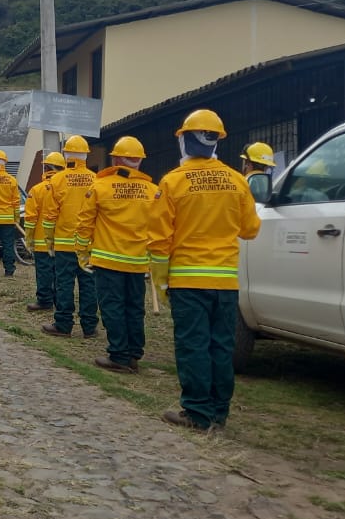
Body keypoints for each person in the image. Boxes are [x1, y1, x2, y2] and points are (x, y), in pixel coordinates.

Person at [150, 110, 261, 431]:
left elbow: (159, 239)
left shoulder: (173, 182)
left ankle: (197, 412)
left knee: (193, 345)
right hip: (225, 282)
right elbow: (250, 230)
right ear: (216, 141)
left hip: (187, 281)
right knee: (221, 347)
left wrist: (160, 282)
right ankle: (219, 412)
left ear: (184, 139)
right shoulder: (237, 181)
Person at [75, 137, 158, 373]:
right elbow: (160, 226)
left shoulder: (101, 186)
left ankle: (119, 355)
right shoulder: (153, 191)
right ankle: (134, 353)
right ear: (140, 161)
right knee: (135, 307)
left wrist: (81, 251)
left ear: (115, 160)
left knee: (113, 307)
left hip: (108, 259)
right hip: (138, 261)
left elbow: (85, 223)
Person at [41, 135, 100, 338]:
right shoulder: (96, 180)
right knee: (88, 284)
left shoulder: (57, 180)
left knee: (64, 284)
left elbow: (50, 216)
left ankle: (63, 324)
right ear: (86, 156)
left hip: (64, 244)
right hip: (88, 245)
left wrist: (49, 240)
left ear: (66, 155)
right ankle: (89, 326)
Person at [23, 152, 66, 310]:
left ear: (46, 168)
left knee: (44, 271)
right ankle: (60, 302)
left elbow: (30, 218)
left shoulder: (37, 190)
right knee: (61, 274)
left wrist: (29, 239)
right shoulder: (67, 188)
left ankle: (45, 301)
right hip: (63, 240)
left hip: (42, 241)